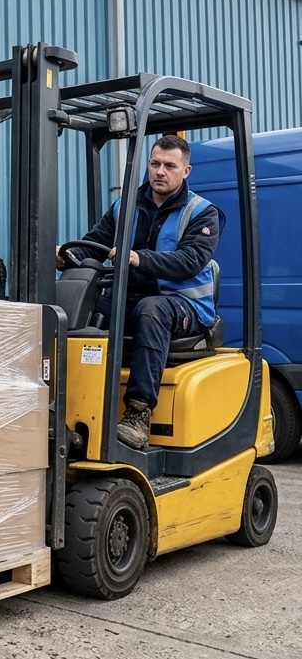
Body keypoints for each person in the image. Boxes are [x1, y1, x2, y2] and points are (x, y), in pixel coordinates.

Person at [56, 134, 223, 449]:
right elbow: (96, 241)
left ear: (185, 171)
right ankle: (66, 408)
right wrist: (69, 256)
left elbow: (190, 260)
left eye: (170, 166)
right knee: (74, 315)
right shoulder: (125, 205)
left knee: (151, 309)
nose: (160, 171)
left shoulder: (202, 212)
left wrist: (138, 257)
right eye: (155, 163)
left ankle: (138, 414)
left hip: (184, 307)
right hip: (127, 300)